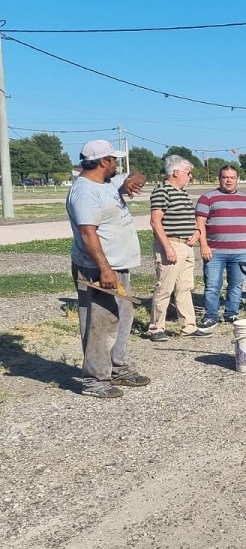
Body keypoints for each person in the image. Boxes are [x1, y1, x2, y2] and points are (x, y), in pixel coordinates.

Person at [66, 140, 149, 398]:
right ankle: (94, 380)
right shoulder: (85, 191)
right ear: (104, 162)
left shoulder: (108, 183)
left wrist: (134, 180)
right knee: (98, 325)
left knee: (122, 319)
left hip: (117, 266)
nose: (117, 164)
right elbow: (88, 233)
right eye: (114, 160)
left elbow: (139, 175)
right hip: (97, 269)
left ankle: (119, 369)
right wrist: (105, 270)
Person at [147, 155, 209, 341]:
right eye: (188, 173)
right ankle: (156, 328)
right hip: (171, 244)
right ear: (176, 172)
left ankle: (188, 327)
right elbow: (155, 221)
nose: (190, 177)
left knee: (184, 287)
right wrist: (168, 248)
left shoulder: (181, 192)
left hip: (186, 245)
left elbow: (189, 219)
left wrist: (197, 232)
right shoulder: (162, 191)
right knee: (164, 287)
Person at [196, 164, 246, 326]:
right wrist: (203, 245)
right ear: (219, 179)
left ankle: (231, 313)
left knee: (236, 284)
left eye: (232, 178)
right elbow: (199, 224)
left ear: (237, 180)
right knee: (212, 285)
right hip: (214, 252)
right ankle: (211, 315)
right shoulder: (207, 198)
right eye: (225, 177)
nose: (228, 180)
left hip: (239, 251)